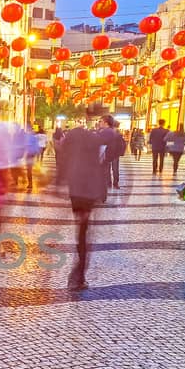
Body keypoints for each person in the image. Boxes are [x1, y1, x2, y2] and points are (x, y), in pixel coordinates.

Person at [57, 104, 111, 289]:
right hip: (89, 189)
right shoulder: (96, 138)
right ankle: (79, 274)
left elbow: (62, 154)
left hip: (76, 187)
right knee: (84, 232)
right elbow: (104, 160)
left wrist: (59, 180)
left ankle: (78, 273)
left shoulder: (72, 135)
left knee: (80, 226)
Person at [95, 115, 126, 200]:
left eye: (100, 121)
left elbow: (98, 142)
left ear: (106, 123)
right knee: (106, 173)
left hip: (104, 156)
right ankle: (105, 191)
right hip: (109, 156)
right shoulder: (110, 131)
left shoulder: (107, 132)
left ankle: (101, 195)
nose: (99, 123)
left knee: (102, 176)